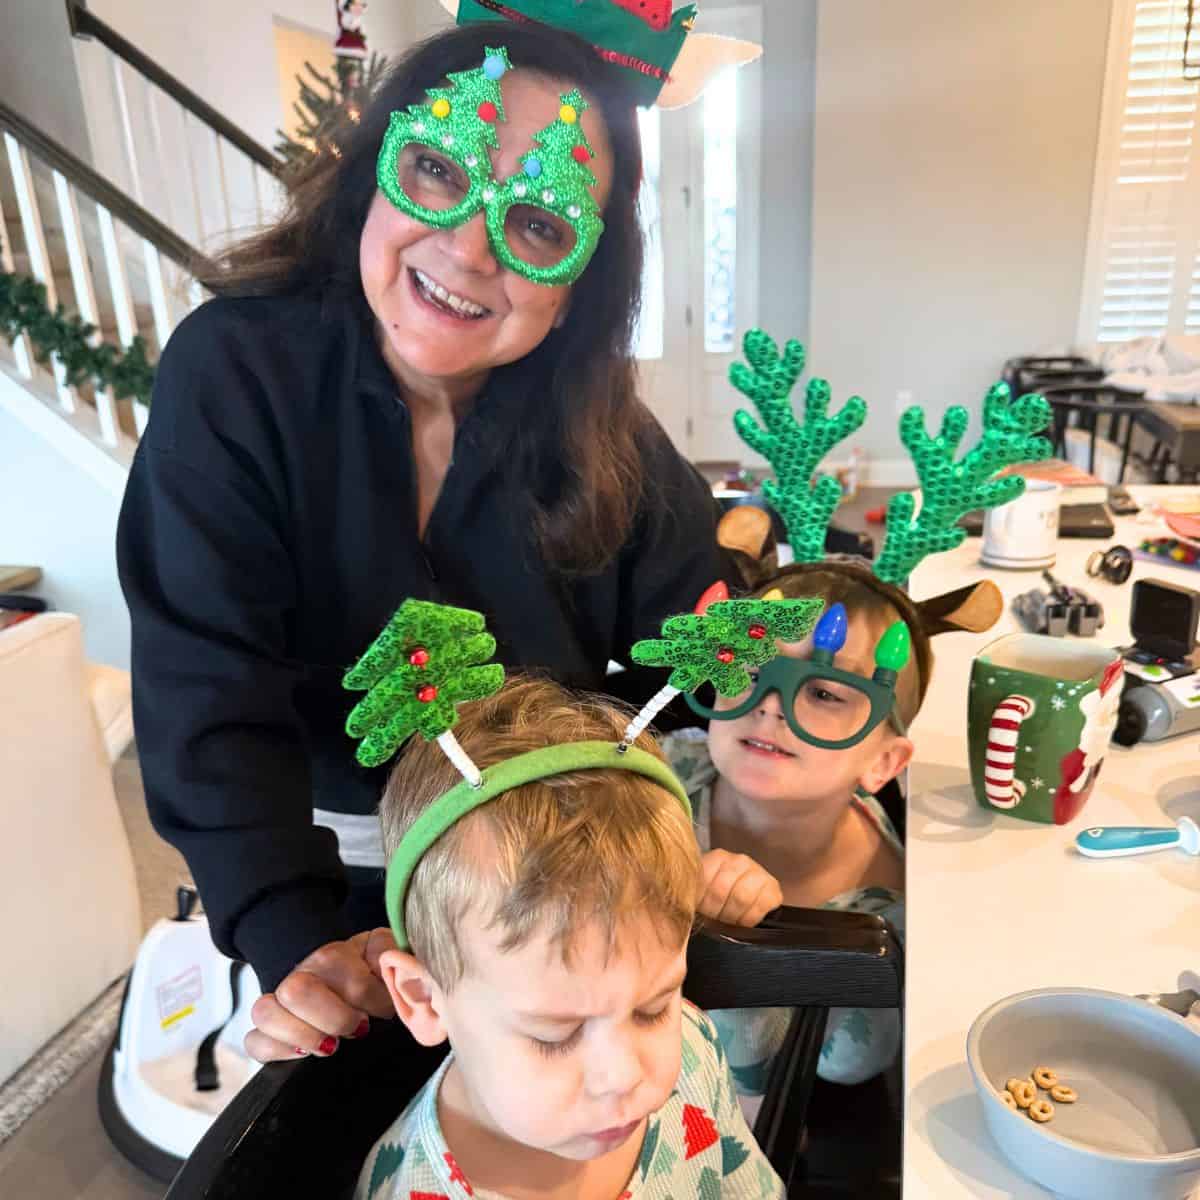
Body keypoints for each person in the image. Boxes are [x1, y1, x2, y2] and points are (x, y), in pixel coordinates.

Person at [116, 20, 732, 1066]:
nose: (469, 248)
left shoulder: (608, 431)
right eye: (439, 169)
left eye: (538, 223)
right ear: (372, 176)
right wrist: (293, 935)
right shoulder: (235, 375)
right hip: (324, 892)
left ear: (584, 277)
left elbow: (691, 655)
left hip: (555, 907)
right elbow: (205, 697)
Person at [356, 675, 783, 1200]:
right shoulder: (411, 1190)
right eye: (554, 1035)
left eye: (653, 1008)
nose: (624, 1076)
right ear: (422, 997)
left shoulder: (692, 1050)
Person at [664, 558, 932, 1108]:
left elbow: (850, 1064)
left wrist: (751, 955)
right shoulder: (662, 775)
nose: (769, 705)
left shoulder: (882, 917)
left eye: (826, 693)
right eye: (753, 670)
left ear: (883, 764)